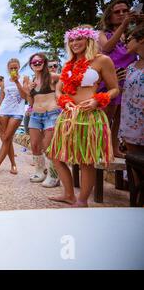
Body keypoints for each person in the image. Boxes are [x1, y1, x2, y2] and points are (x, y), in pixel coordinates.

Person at [47, 25, 119, 207]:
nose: (74, 43)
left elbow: (115, 89)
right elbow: (58, 90)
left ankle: (82, 201)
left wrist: (97, 100)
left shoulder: (102, 60)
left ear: (89, 39)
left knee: (86, 161)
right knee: (56, 156)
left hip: (89, 115)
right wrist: (63, 100)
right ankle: (69, 194)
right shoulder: (68, 64)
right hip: (68, 115)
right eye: (71, 40)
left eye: (78, 39)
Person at [98, 0, 140, 157]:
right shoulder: (102, 34)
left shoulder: (133, 35)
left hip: (127, 79)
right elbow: (107, 48)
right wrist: (123, 26)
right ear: (109, 16)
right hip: (110, 79)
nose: (122, 14)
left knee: (119, 118)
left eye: (125, 11)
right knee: (106, 117)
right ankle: (101, 149)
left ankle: (114, 149)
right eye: (117, 12)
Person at [25, 53, 60, 188]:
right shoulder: (32, 80)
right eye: (34, 62)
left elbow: (69, 79)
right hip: (35, 115)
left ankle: (54, 175)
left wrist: (60, 94)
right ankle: (40, 171)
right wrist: (29, 91)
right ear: (31, 64)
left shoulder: (51, 76)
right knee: (34, 144)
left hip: (51, 114)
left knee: (48, 146)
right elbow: (30, 101)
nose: (37, 63)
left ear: (44, 63)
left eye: (40, 61)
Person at [0, 59, 29, 176]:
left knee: (6, 138)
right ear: (8, 69)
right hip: (3, 112)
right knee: (7, 140)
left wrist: (17, 82)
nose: (13, 70)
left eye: (15, 68)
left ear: (19, 67)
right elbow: (1, 99)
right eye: (11, 68)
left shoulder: (24, 79)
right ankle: (13, 164)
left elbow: (24, 96)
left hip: (17, 112)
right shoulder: (4, 82)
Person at [120, 25, 144, 153]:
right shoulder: (130, 67)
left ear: (141, 40)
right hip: (131, 127)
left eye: (128, 40)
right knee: (134, 164)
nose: (125, 44)